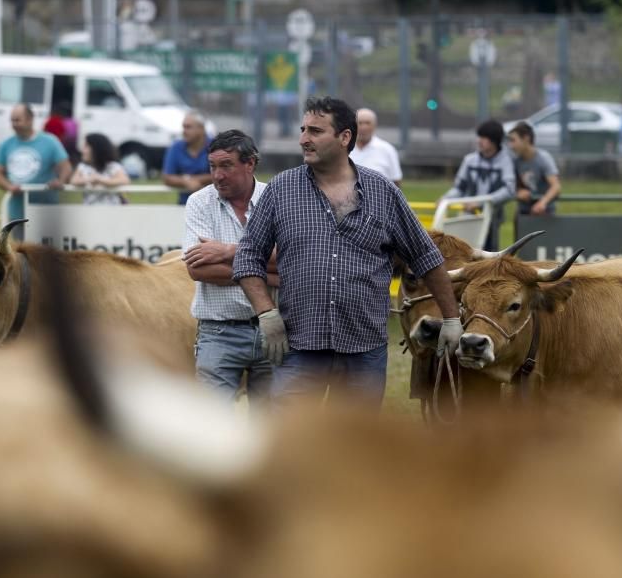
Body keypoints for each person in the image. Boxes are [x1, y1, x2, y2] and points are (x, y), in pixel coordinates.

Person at [232, 96, 462, 410]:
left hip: (363, 349)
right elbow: (248, 256)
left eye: (315, 131)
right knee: (290, 442)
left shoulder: (383, 192)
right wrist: (267, 313)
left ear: (344, 138)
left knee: (355, 449)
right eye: (303, 130)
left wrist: (451, 319)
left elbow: (426, 257)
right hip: (299, 346)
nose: (303, 139)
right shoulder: (280, 190)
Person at [183, 130, 279, 400]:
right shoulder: (199, 202)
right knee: (211, 429)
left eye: (226, 165)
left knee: (272, 431)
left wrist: (226, 251)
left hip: (275, 330)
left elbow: (292, 261)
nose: (217, 175)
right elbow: (198, 269)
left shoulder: (278, 198)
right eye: (212, 166)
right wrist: (269, 274)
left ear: (250, 163)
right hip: (218, 331)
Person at [440, 118, 516, 251]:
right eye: (479, 137)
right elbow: (459, 188)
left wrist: (481, 203)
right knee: (465, 253)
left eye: (484, 138)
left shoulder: (506, 161)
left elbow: (509, 190)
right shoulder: (469, 160)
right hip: (468, 216)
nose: (479, 141)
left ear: (495, 141)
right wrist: (445, 199)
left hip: (492, 219)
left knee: (489, 257)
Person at [0, 102, 71, 224]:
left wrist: (60, 181)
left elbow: (65, 167)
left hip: (46, 210)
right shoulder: (6, 144)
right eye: (12, 120)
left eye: (18, 120)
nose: (14, 124)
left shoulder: (50, 141)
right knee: (20, 243)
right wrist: (9, 187)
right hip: (17, 212)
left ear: (30, 120)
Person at [507, 121, 561, 216]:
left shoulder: (543, 158)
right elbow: (509, 186)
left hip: (545, 213)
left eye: (513, 140)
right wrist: (518, 192)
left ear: (526, 139)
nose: (510, 146)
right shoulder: (514, 160)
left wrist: (542, 203)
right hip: (523, 212)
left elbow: (556, 187)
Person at [162, 111, 213, 205]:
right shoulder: (176, 147)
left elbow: (223, 174)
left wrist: (194, 180)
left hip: (214, 204)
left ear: (201, 129)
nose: (184, 131)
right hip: (184, 205)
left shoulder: (215, 146)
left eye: (188, 127)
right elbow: (167, 178)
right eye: (183, 127)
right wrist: (186, 181)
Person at [70, 133, 131, 205]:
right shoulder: (82, 167)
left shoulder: (112, 166)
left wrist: (100, 180)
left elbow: (125, 180)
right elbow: (74, 181)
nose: (82, 150)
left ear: (97, 149)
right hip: (90, 211)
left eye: (86, 146)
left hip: (111, 211)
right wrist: (89, 179)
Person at [349, 107, 403, 186]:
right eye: (360, 123)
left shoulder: (387, 149)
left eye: (367, 123)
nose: (363, 127)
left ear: (374, 125)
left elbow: (396, 181)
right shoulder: (344, 149)